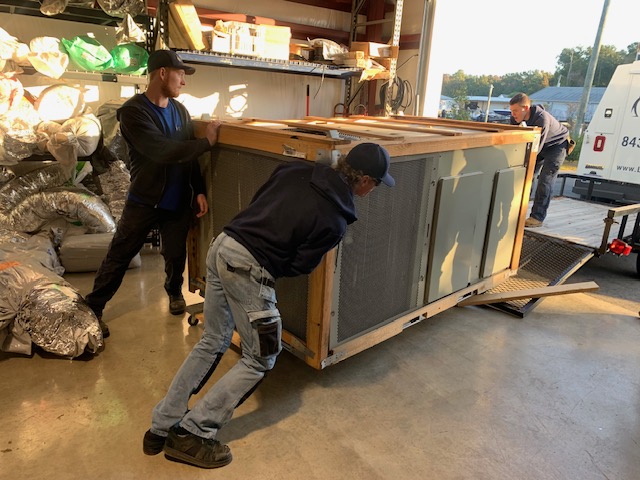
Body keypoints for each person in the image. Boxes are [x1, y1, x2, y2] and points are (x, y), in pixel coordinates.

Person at [142, 143, 395, 469]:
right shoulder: (335, 220)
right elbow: (300, 265)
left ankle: (161, 426)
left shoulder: (295, 170)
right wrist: (267, 262)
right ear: (362, 180)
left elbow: (259, 202)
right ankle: (194, 432)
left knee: (212, 340)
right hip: (249, 268)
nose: (373, 190)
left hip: (223, 245)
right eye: (375, 183)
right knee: (261, 357)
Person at [85, 50, 221, 338]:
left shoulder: (180, 111)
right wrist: (207, 142)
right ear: (162, 73)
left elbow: (188, 156)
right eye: (180, 74)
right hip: (144, 200)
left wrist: (197, 189)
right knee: (120, 255)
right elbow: (162, 151)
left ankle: (174, 292)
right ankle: (93, 308)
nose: (183, 81)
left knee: (175, 254)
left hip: (177, 201)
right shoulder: (133, 113)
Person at [509, 92, 569, 227]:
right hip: (539, 145)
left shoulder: (542, 119)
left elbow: (535, 149)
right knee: (525, 177)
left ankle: (537, 217)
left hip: (556, 146)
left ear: (526, 108)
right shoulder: (515, 118)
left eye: (516, 111)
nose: (513, 114)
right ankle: (518, 212)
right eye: (511, 111)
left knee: (545, 180)